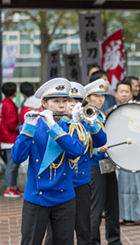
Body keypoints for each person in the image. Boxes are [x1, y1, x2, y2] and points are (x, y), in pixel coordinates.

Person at [11, 78, 86, 245]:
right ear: (44, 103)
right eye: (56, 101)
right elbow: (17, 157)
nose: (62, 105)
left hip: (64, 196)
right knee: (31, 241)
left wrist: (54, 126)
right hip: (36, 196)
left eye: (65, 101)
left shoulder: (71, 126)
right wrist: (28, 128)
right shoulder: (32, 125)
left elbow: (76, 152)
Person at [44, 82, 107, 245]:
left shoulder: (85, 123)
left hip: (81, 182)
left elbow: (101, 141)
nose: (72, 105)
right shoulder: (57, 125)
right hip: (61, 182)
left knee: (83, 228)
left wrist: (91, 122)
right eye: (69, 101)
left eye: (76, 102)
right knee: (56, 231)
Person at [86, 79, 122, 245]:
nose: (101, 99)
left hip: (108, 165)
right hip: (93, 166)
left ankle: (114, 240)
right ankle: (93, 241)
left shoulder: (101, 114)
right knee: (96, 208)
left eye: (103, 96)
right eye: (96, 96)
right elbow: (78, 143)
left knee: (113, 206)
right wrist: (95, 150)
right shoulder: (84, 116)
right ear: (87, 98)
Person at [110, 80, 140, 225]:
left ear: (132, 94)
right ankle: (118, 214)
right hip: (116, 153)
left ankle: (133, 215)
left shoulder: (137, 112)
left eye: (127, 91)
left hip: (133, 152)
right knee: (117, 186)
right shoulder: (110, 112)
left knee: (133, 185)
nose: (124, 94)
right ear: (116, 93)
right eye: (121, 91)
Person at [1, 82, 21, 197]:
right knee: (12, 164)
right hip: (10, 138)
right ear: (14, 92)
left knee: (13, 163)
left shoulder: (4, 103)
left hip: (6, 137)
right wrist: (21, 128)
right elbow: (11, 124)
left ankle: (12, 187)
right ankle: (8, 188)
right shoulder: (9, 104)